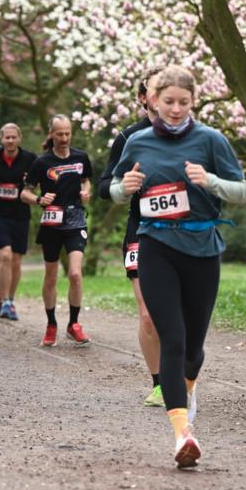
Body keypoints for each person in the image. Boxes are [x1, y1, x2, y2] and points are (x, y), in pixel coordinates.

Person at [111, 65, 246, 468]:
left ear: (193, 103)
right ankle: (181, 434)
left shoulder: (211, 140)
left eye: (183, 103)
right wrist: (127, 189)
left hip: (203, 249)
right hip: (155, 245)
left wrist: (210, 181)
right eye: (167, 101)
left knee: (192, 348)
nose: (174, 110)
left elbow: (240, 191)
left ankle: (187, 389)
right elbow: (117, 190)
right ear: (153, 100)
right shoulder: (136, 142)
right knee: (170, 337)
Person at [98, 67, 164, 406]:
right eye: (155, 90)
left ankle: (184, 371)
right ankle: (159, 383)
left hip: (183, 234)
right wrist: (124, 188)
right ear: (143, 98)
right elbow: (103, 187)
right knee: (149, 314)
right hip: (141, 231)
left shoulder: (194, 136)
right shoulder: (129, 138)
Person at [21, 114, 92, 346]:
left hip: (76, 220)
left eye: (67, 133)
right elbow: (25, 193)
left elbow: (86, 181)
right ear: (51, 134)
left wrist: (86, 192)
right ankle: (51, 324)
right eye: (59, 133)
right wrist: (40, 199)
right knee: (51, 275)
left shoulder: (81, 157)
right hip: (52, 222)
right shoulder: (42, 162)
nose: (64, 138)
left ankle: (74, 324)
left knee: (75, 274)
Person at [0, 126, 36, 321]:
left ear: (20, 138)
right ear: (2, 139)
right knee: (4, 255)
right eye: (7, 137)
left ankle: (10, 300)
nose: (11, 141)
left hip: (21, 214)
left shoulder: (30, 158)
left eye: (14, 137)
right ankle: (3, 301)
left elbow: (37, 181)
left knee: (16, 260)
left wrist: (31, 185)